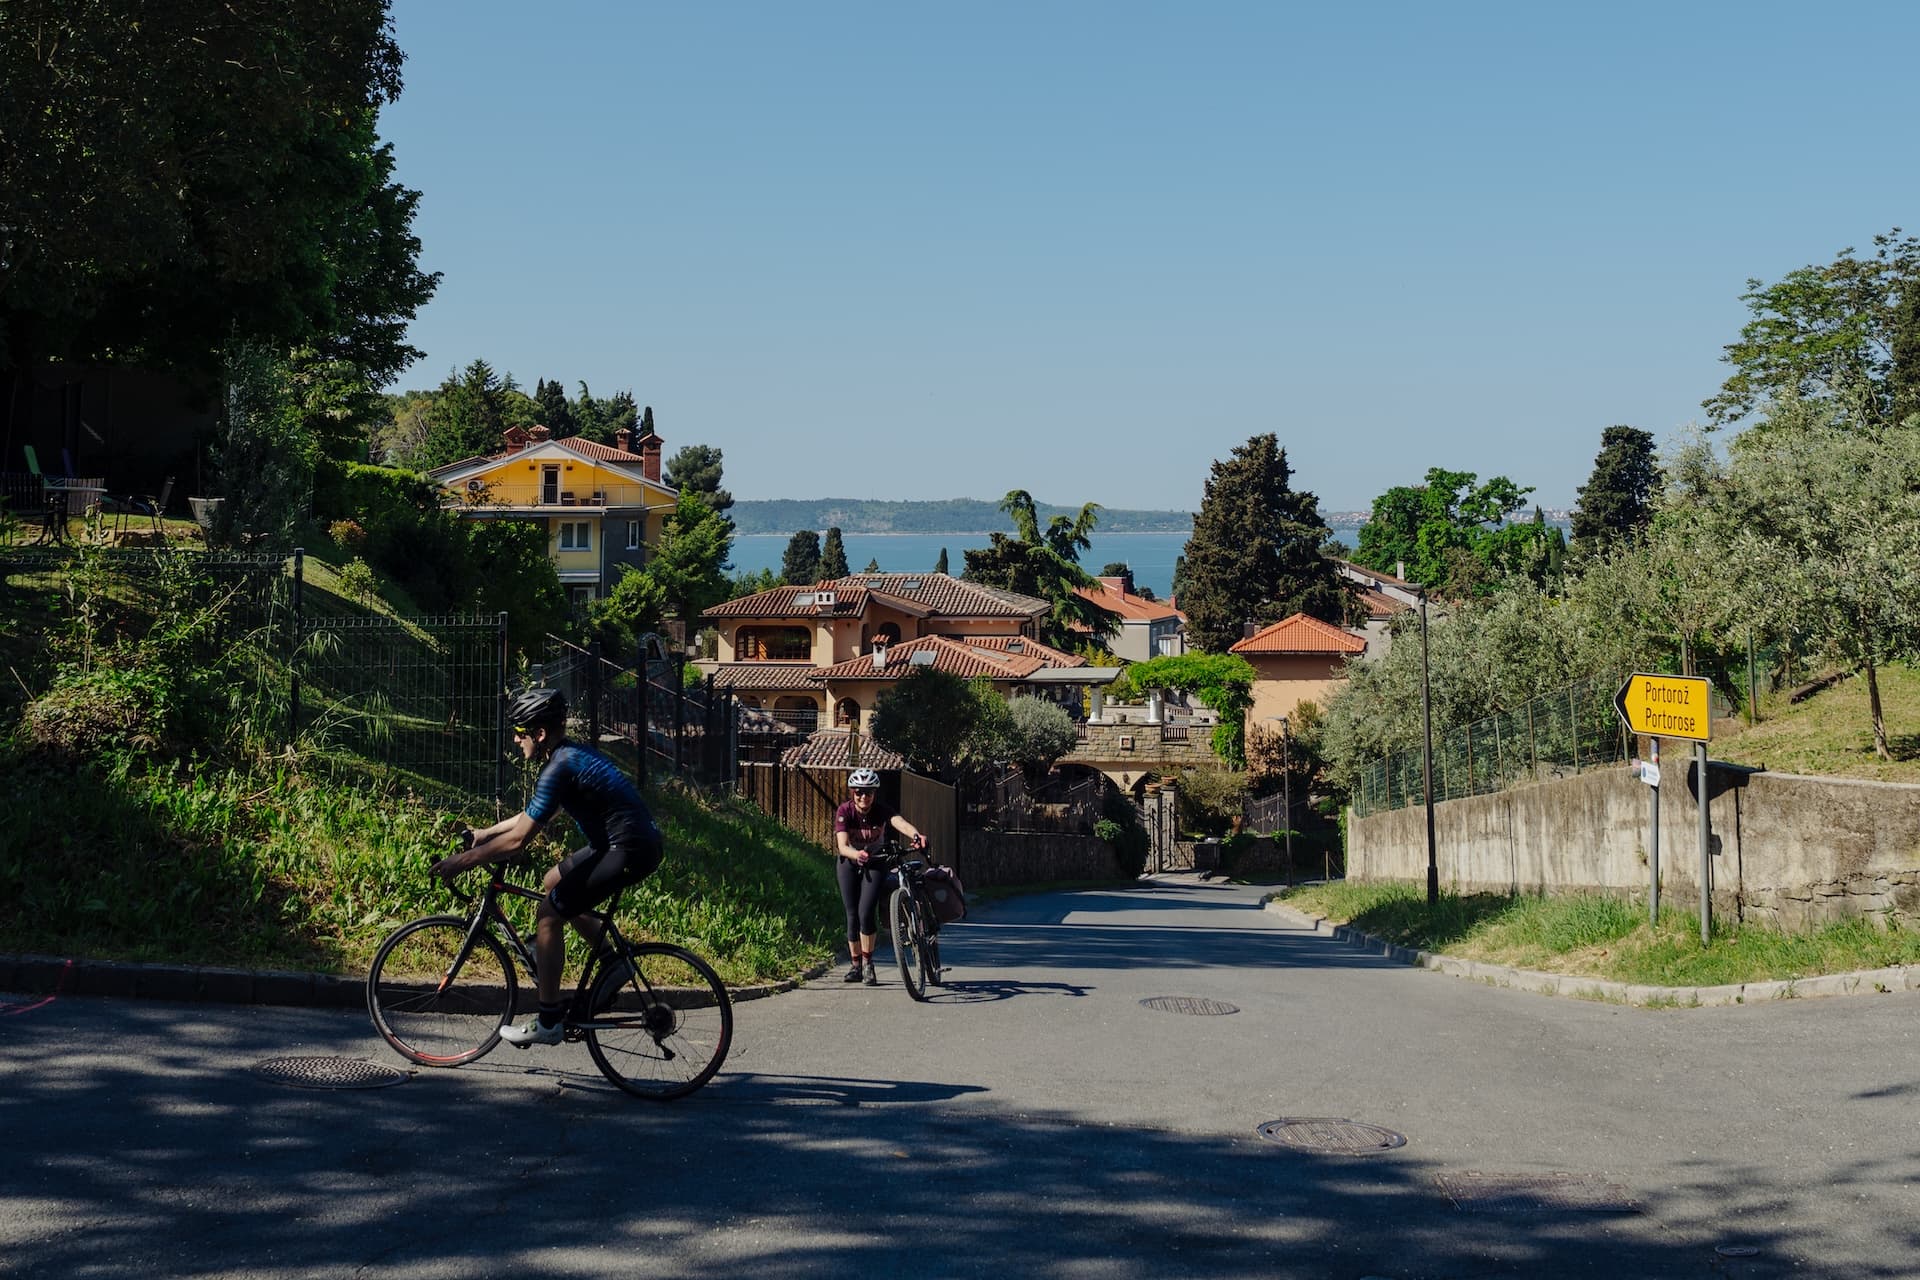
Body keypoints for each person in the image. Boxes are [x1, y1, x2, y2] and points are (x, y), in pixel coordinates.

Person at [433, 686, 663, 1046]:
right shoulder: (568, 757)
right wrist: (484, 833)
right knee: (553, 881)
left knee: (548, 914)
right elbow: (533, 814)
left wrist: (461, 862)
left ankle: (549, 1020)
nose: (515, 739)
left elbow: (518, 841)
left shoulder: (560, 766)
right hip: (624, 843)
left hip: (629, 849)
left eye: (520, 732)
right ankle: (612, 964)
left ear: (539, 734)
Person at [833, 766, 924, 985]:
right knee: (852, 914)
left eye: (869, 792)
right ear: (853, 793)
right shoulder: (845, 811)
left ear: (875, 794)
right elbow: (842, 846)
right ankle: (855, 966)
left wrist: (916, 834)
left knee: (866, 912)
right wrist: (857, 854)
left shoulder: (882, 810)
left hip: (875, 863)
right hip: (849, 862)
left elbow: (899, 822)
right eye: (859, 792)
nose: (864, 796)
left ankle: (868, 965)